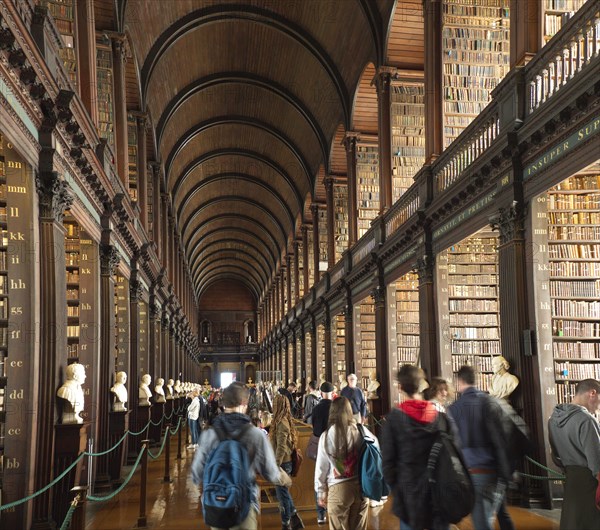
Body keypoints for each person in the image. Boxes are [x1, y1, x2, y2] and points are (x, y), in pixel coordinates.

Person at [191, 382, 293, 530]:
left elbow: (196, 474)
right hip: (244, 504)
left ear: (223, 404)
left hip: (216, 506)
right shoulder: (254, 434)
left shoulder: (209, 434)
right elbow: (270, 472)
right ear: (244, 404)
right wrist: (285, 480)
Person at [382, 365, 456, 530]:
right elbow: (455, 455)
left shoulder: (394, 420)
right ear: (422, 384)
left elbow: (387, 463)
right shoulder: (442, 418)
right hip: (439, 490)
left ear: (400, 387)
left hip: (409, 493)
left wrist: (397, 489)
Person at [448, 365, 513, 530]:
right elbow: (503, 436)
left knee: (482, 522)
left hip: (474, 472)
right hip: (496, 470)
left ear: (459, 381)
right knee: (500, 515)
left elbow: (454, 445)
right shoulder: (490, 401)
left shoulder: (454, 409)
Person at [315, 396, 376, 530]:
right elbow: (375, 448)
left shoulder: (326, 436)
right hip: (361, 487)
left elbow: (321, 468)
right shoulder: (361, 431)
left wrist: (320, 492)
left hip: (338, 488)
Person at [548, 378, 600, 530]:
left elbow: (555, 457)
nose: (597, 408)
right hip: (590, 483)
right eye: (599, 401)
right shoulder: (586, 420)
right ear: (592, 393)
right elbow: (596, 463)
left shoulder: (554, 419)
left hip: (571, 481)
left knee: (572, 523)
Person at [270, 393, 305, 530]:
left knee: (282, 495)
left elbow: (282, 447)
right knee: (284, 493)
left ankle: (286, 523)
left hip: (283, 463)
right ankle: (295, 519)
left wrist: (276, 465)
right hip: (284, 462)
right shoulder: (282, 420)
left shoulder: (282, 423)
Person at [310, 381, 335, 525]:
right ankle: (332, 508)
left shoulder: (316, 408)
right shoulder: (336, 408)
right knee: (333, 478)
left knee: (319, 478)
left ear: (321, 393)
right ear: (332, 393)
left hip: (320, 445)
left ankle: (320, 514)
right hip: (334, 446)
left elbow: (314, 427)